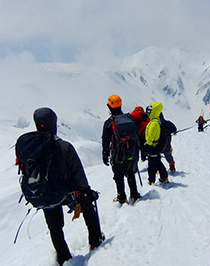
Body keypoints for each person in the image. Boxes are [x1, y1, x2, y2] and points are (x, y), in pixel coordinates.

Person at [32, 107, 104, 265]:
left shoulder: (29, 149)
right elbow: (77, 172)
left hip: (44, 195)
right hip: (67, 192)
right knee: (87, 206)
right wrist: (86, 191)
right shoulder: (64, 146)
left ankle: (63, 257)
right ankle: (95, 240)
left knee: (55, 228)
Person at [102, 95, 141, 204]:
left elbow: (106, 140)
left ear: (109, 106)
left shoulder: (109, 123)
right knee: (130, 174)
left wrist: (105, 155)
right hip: (130, 153)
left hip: (117, 155)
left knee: (118, 177)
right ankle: (134, 194)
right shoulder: (129, 119)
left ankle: (122, 197)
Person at [144, 102, 169, 185]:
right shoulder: (156, 121)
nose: (148, 112)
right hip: (156, 146)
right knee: (157, 162)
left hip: (152, 146)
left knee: (151, 164)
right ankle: (164, 176)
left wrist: (148, 144)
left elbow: (151, 135)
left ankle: (151, 180)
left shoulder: (154, 123)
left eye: (150, 110)